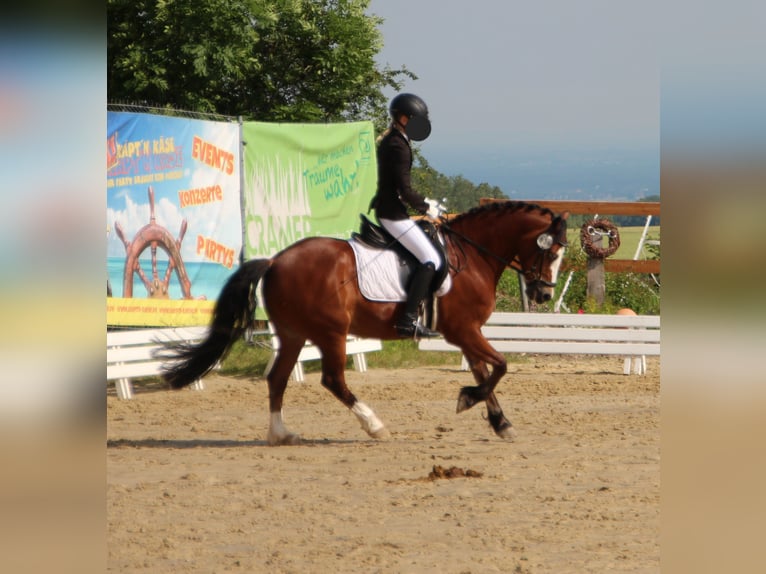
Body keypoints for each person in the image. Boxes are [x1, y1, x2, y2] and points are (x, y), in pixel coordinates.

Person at [372, 93, 442, 338]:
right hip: (392, 214)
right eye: (414, 119)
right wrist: (426, 207)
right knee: (429, 259)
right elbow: (404, 189)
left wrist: (424, 203)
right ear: (402, 118)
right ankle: (408, 321)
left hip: (392, 209)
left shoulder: (395, 139)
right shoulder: (397, 145)